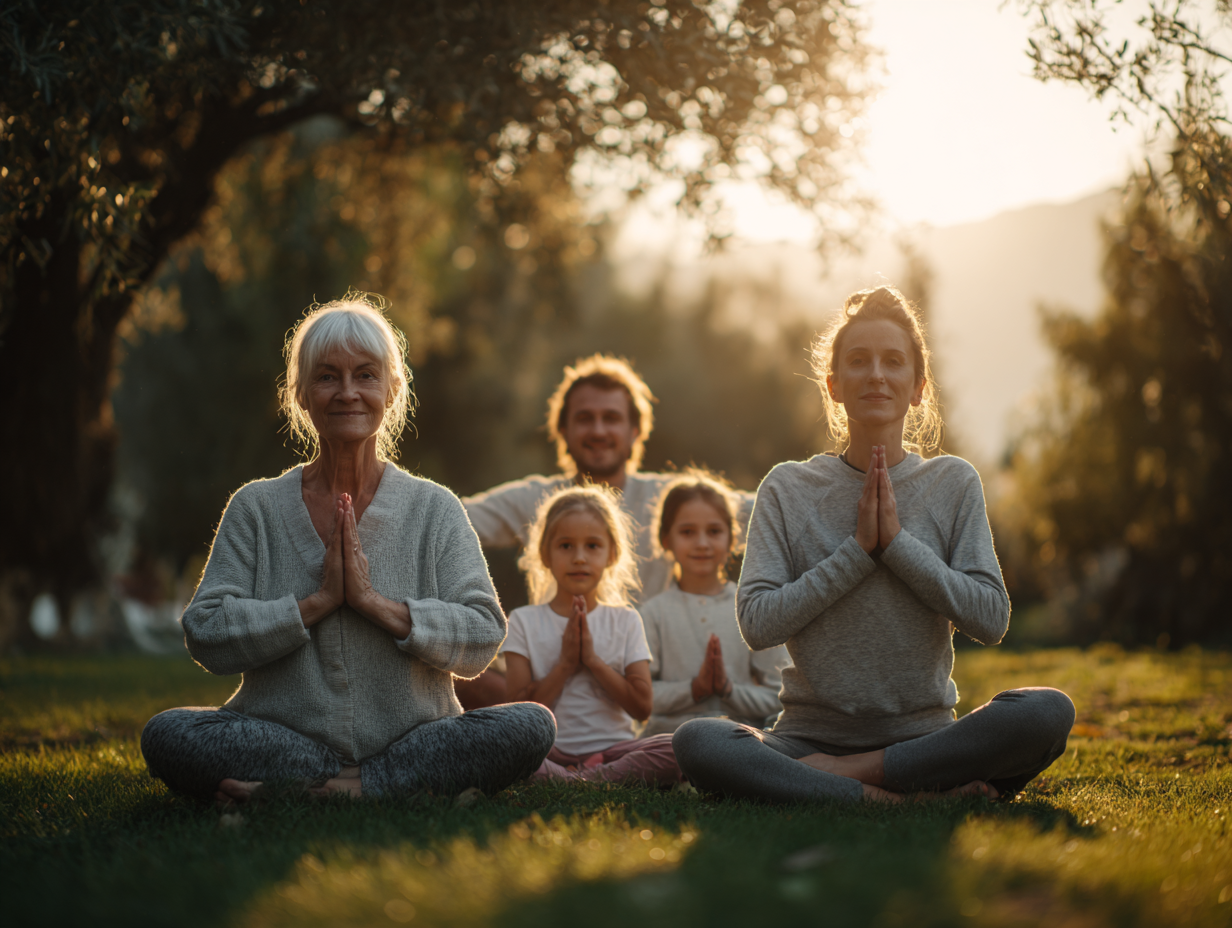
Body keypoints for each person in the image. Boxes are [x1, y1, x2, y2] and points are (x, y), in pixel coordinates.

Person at [140, 295, 555, 804]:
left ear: (392, 390)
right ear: (300, 395)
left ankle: (320, 792)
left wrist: (375, 605)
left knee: (531, 725)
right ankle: (372, 788)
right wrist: (315, 605)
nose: (347, 393)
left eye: (365, 375)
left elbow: (483, 632)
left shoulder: (435, 507)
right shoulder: (255, 507)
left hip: (414, 740)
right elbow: (205, 631)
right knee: (167, 734)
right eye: (327, 376)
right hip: (282, 740)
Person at [672, 286, 1075, 804]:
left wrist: (899, 547)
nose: (877, 375)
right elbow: (757, 623)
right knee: (699, 741)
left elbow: (991, 618)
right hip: (807, 739)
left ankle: (847, 777)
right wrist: (856, 554)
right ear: (834, 385)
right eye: (859, 361)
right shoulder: (789, 487)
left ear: (917, 387)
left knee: (1046, 712)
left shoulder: (953, 483)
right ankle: (901, 796)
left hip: (925, 738)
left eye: (893, 361)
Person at [457, 354, 753, 708]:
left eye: (611, 418)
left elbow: (765, 511)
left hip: (640, 684)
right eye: (585, 419)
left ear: (635, 431)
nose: (598, 430)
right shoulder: (536, 498)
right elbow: (448, 519)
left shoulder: (669, 499)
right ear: (563, 431)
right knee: (449, 670)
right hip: (551, 683)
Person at [502, 486, 680, 785]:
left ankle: (579, 780)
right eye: (566, 546)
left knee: (677, 748)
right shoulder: (523, 620)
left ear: (612, 553)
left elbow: (642, 708)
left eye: (593, 546)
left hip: (614, 751)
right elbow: (519, 716)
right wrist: (566, 664)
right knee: (505, 749)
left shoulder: (625, 620)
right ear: (545, 554)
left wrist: (593, 661)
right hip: (548, 752)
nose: (580, 558)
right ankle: (595, 780)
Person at [640, 470, 788, 736]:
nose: (702, 543)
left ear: (732, 538)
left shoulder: (752, 608)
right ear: (666, 540)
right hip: (666, 741)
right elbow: (638, 697)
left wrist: (728, 689)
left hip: (736, 739)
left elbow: (780, 694)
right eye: (687, 532)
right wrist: (694, 689)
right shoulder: (653, 613)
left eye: (714, 531)